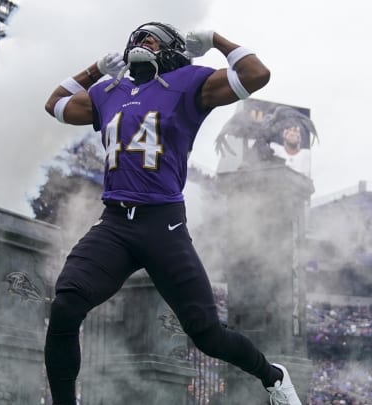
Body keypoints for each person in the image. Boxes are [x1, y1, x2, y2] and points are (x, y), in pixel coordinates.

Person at [43, 22, 302, 405]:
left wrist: (215, 40)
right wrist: (95, 68)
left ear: (173, 50)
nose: (143, 42)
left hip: (162, 224)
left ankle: (273, 376)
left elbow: (256, 74)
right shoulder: (108, 90)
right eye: (138, 37)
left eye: (154, 38)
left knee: (207, 334)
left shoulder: (188, 82)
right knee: (66, 305)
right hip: (115, 222)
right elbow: (56, 104)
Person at [265, 106, 316, 178]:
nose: (292, 133)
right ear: (282, 134)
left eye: (295, 130)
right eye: (288, 129)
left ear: (301, 137)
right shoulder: (274, 149)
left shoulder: (307, 155)